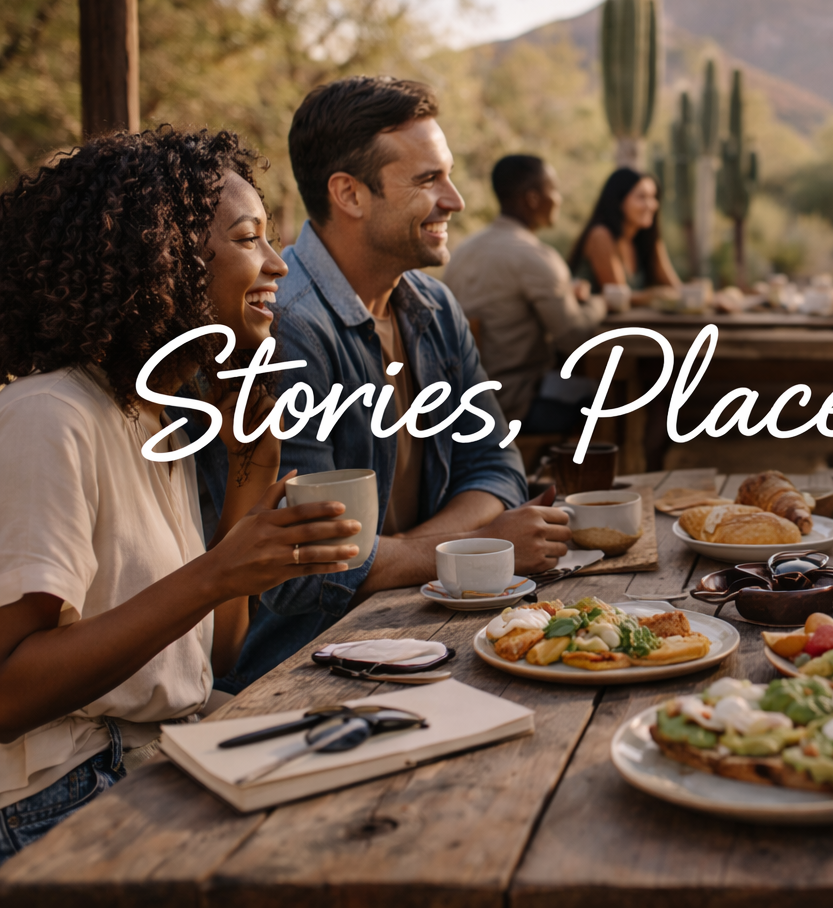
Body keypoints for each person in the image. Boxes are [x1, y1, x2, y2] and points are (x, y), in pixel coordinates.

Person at [0, 128, 362, 859]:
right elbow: (9, 694)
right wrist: (215, 573)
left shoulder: (154, 413)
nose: (278, 265)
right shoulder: (50, 416)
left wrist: (253, 468)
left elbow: (213, 658)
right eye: (250, 239)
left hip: (154, 753)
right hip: (60, 797)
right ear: (162, 255)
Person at [199, 76, 571, 694]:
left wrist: (423, 551)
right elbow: (309, 567)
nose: (453, 199)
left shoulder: (433, 305)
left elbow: (497, 466)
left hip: (431, 627)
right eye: (428, 180)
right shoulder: (283, 327)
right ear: (348, 193)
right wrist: (475, 545)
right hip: (309, 666)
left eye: (446, 176)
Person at [444, 154, 606, 433]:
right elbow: (574, 337)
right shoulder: (535, 256)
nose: (558, 199)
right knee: (610, 396)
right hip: (516, 404)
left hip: (461, 404)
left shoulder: (461, 253)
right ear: (532, 198)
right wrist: (597, 303)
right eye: (552, 189)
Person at [569, 167, 682, 302]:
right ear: (618, 201)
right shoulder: (600, 235)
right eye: (642, 197)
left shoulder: (645, 239)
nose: (651, 205)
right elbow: (618, 298)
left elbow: (676, 287)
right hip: (594, 322)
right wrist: (655, 295)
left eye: (653, 197)